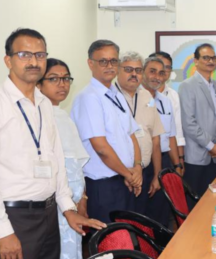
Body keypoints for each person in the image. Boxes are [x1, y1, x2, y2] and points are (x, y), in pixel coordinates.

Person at [0, 29, 104, 259]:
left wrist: (68, 209)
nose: (33, 61)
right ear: (8, 60)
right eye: (24, 54)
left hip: (48, 214)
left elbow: (55, 163)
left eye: (39, 54)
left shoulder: (44, 104)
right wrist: (3, 232)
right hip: (14, 217)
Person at [37, 59, 95, 259]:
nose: (62, 84)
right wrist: (71, 204)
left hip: (71, 205)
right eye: (54, 78)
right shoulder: (38, 116)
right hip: (54, 209)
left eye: (66, 78)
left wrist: (82, 200)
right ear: (38, 83)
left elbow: (76, 167)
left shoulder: (60, 114)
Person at [72, 39, 143, 222]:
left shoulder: (116, 94)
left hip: (124, 179)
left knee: (126, 238)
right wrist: (129, 174)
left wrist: (137, 167)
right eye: (103, 61)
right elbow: (101, 147)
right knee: (110, 243)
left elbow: (131, 135)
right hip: (104, 186)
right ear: (90, 63)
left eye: (114, 61)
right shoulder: (88, 97)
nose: (109, 66)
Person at [115, 52, 166, 217]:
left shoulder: (147, 97)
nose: (134, 74)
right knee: (121, 224)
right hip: (118, 175)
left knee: (141, 220)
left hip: (143, 171)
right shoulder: (110, 97)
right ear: (117, 70)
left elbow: (155, 139)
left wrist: (157, 176)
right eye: (129, 69)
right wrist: (128, 173)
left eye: (138, 70)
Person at [179, 43, 216, 204]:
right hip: (196, 155)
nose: (210, 61)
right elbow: (188, 122)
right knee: (193, 201)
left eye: (213, 58)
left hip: (213, 155)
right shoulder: (187, 86)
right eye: (206, 57)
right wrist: (210, 145)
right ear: (195, 61)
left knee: (209, 200)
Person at [141, 56, 178, 227]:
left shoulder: (165, 101)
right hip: (143, 162)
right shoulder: (135, 99)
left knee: (162, 209)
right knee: (143, 212)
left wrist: (177, 165)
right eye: (152, 71)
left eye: (161, 73)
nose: (157, 76)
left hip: (163, 159)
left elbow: (171, 136)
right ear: (143, 72)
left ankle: (162, 250)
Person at [149, 52, 186, 175]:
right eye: (158, 67)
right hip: (146, 158)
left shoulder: (172, 96)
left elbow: (176, 132)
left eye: (167, 67)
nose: (163, 70)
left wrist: (179, 162)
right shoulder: (141, 95)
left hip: (167, 156)